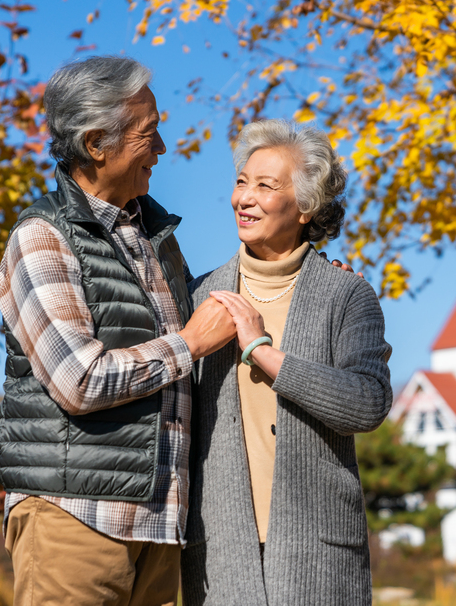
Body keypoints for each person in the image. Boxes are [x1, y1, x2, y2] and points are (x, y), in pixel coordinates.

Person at [0, 56, 238, 606]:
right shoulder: (44, 238)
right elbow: (78, 379)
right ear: (96, 143)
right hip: (75, 519)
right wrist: (190, 345)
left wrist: (302, 275)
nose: (163, 149)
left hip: (158, 523)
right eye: (149, 134)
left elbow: (212, 309)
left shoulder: (151, 235)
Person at [181, 119, 393, 605]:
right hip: (218, 550)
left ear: (305, 205)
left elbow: (368, 404)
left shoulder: (346, 294)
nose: (244, 198)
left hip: (319, 555)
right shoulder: (198, 295)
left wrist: (263, 352)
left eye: (265, 185)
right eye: (241, 182)